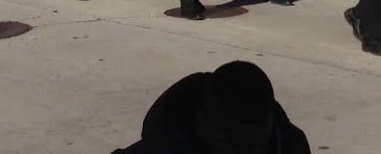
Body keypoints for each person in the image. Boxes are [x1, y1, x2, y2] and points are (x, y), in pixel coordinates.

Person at [115, 61, 310, 154]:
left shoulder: (290, 145)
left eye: (255, 145)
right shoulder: (158, 148)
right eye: (236, 146)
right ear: (202, 125)